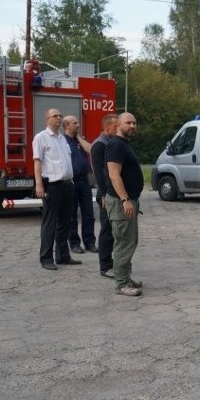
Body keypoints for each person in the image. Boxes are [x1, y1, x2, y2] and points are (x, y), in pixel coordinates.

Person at [33, 108, 80, 270]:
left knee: (65, 223)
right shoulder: (41, 138)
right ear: (47, 119)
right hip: (52, 186)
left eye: (60, 116)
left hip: (68, 185)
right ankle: (46, 259)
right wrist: (38, 183)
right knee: (50, 223)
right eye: (55, 116)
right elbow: (37, 162)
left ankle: (62, 256)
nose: (59, 118)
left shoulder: (62, 139)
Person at [105, 112, 144, 296]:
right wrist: (125, 199)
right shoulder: (115, 145)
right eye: (128, 122)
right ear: (118, 125)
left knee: (130, 241)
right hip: (122, 203)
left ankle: (125, 278)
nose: (132, 125)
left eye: (134, 122)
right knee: (124, 242)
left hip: (128, 201)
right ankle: (121, 284)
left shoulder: (124, 144)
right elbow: (114, 175)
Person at [62, 115, 97, 254]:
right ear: (66, 126)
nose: (78, 125)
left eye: (77, 122)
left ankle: (90, 242)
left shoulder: (79, 139)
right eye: (74, 123)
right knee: (72, 215)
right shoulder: (62, 141)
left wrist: (79, 138)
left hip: (84, 181)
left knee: (88, 213)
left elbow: (91, 150)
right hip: (71, 182)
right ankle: (74, 243)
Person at [91, 114, 118, 278]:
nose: (118, 128)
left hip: (111, 193)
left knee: (112, 230)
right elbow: (100, 174)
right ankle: (105, 266)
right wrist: (104, 195)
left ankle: (110, 261)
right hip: (105, 194)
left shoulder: (110, 143)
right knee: (106, 230)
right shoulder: (100, 145)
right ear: (107, 127)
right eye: (116, 125)